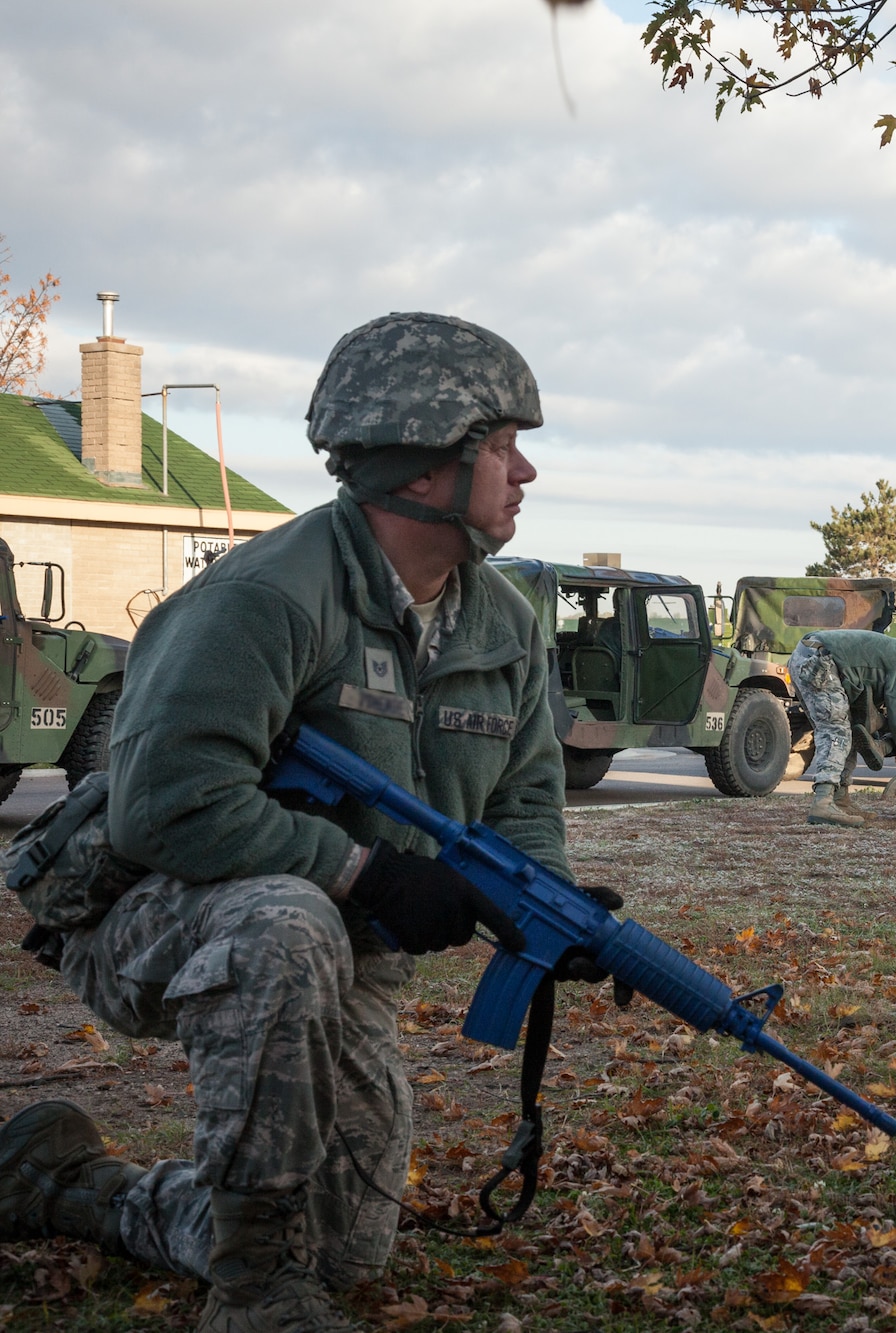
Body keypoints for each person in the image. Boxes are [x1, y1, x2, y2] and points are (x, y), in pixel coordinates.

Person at [0, 313, 610, 1333]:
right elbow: (169, 804)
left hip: (342, 939)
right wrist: (365, 873)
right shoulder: (264, 598)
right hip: (153, 915)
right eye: (501, 447)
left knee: (347, 1247)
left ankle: (64, 1185)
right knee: (286, 925)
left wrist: (544, 901)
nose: (525, 473)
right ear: (421, 467)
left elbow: (524, 797)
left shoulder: (499, 622)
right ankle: (252, 1294)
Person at [787, 629, 896, 828]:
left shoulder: (892, 650)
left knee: (846, 728)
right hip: (821, 662)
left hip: (806, 656)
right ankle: (822, 803)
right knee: (837, 731)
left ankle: (840, 799)